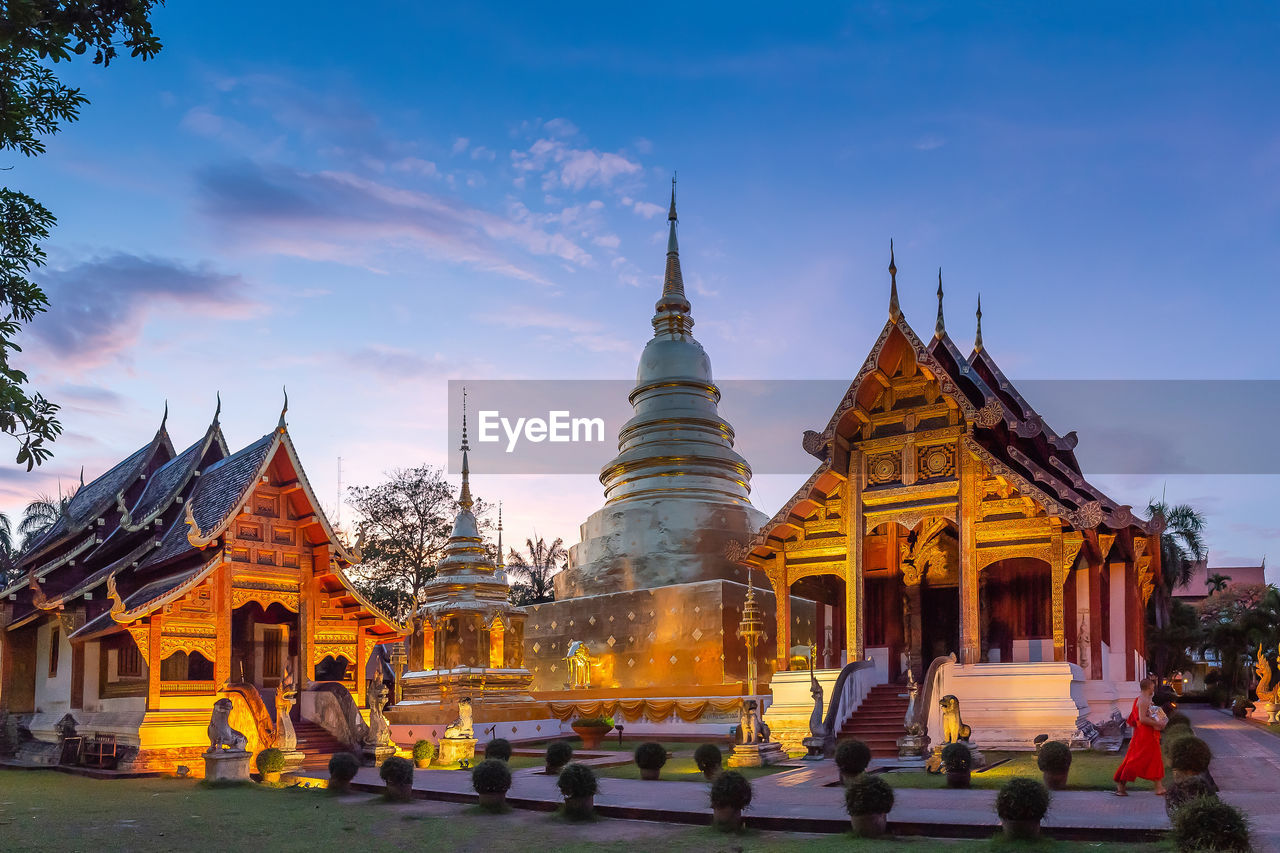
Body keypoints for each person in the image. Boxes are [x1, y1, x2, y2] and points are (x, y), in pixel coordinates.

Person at [1114, 677, 1167, 796]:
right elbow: (1142, 719)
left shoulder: (1145, 699)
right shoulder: (1143, 700)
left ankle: (1159, 787)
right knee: (1136, 759)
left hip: (1147, 733)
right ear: (1149, 687)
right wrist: (1158, 723)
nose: (1154, 688)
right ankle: (1121, 785)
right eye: (1153, 686)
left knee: (1155, 759)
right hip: (1144, 735)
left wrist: (1157, 715)